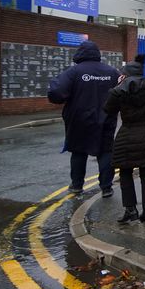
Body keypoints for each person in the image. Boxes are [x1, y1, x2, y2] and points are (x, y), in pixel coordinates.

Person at [47, 40, 118, 197]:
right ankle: (106, 187)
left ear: (80, 54)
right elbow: (123, 91)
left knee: (78, 151)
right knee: (105, 151)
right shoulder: (112, 72)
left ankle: (77, 185)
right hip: (106, 117)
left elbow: (56, 93)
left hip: (79, 119)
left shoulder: (74, 72)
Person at [104, 54, 145, 223]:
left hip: (128, 134)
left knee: (125, 172)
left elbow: (108, 109)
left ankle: (130, 210)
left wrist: (119, 86)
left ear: (126, 74)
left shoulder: (120, 89)